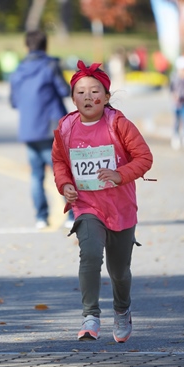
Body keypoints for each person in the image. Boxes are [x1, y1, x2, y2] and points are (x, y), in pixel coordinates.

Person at [52, 61, 153, 343]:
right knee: (91, 253)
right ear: (73, 99)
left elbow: (145, 158)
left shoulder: (118, 124)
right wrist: (66, 184)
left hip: (120, 207)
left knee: (119, 271)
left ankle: (122, 309)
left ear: (106, 97)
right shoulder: (66, 127)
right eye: (80, 92)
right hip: (87, 206)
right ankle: (90, 315)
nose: (87, 97)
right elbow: (60, 161)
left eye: (94, 91)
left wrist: (119, 174)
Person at [9, 30, 74, 229]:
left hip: (29, 129)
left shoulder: (18, 70)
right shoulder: (50, 65)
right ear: (45, 45)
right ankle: (71, 215)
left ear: (26, 46)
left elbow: (14, 101)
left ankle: (41, 216)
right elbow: (64, 90)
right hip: (50, 127)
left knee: (36, 175)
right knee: (61, 172)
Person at [169, 55, 184, 150]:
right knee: (176, 120)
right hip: (177, 103)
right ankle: (176, 135)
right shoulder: (174, 78)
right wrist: (174, 95)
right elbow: (171, 89)